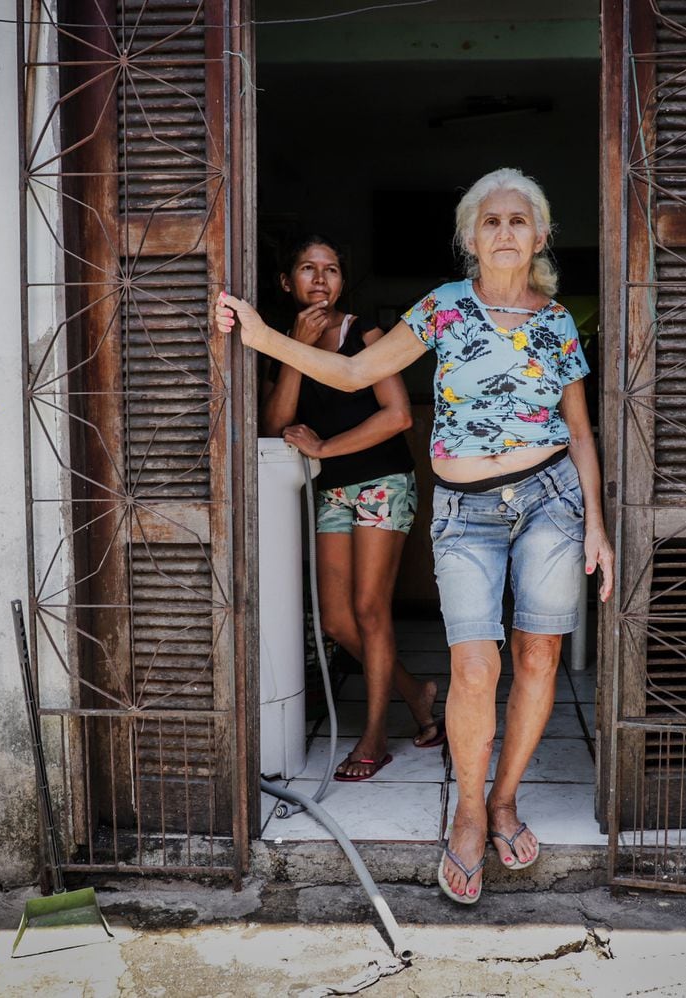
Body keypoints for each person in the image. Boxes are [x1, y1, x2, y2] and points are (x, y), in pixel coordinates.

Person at [220, 170, 615, 905]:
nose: (504, 231)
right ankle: (469, 812)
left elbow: (583, 433)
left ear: (539, 236)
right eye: (490, 220)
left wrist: (596, 522)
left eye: (518, 220)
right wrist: (265, 334)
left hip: (551, 499)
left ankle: (504, 800)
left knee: (539, 655)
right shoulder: (443, 308)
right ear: (470, 237)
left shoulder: (557, 323)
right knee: (474, 668)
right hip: (465, 511)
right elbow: (353, 369)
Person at [260, 236, 443, 781]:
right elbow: (273, 427)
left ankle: (373, 737)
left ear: (343, 281)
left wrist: (323, 448)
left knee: (369, 608)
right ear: (287, 282)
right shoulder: (280, 343)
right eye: (307, 269)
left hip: (383, 480)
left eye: (332, 269)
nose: (320, 279)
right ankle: (418, 695)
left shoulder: (367, 333)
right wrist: (296, 347)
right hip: (332, 489)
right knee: (338, 621)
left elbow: (398, 417)